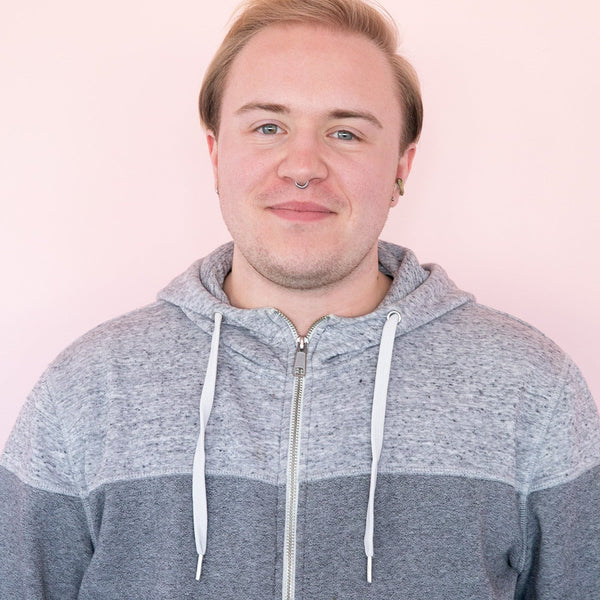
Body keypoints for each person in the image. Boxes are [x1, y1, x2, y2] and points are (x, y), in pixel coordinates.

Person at [1, 0, 599, 597]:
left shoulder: (531, 387)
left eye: (346, 132)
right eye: (268, 127)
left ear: (401, 167)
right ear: (216, 154)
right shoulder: (88, 388)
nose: (303, 167)